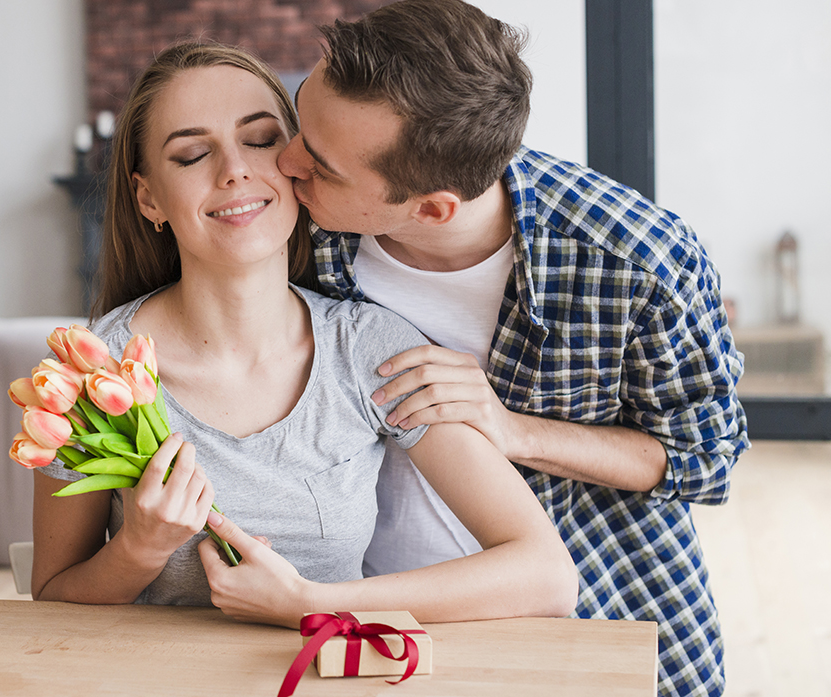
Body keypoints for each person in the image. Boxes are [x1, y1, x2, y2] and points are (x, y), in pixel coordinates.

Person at [275, 1, 749, 694]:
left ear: (432, 208)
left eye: (321, 165)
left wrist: (512, 429)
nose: (285, 162)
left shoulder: (638, 262)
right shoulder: (301, 230)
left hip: (588, 613)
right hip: (365, 622)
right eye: (298, 120)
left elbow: (707, 457)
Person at [30, 41, 578, 629]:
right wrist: (137, 550)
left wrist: (308, 604)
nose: (234, 168)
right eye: (191, 154)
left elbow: (545, 574)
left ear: (299, 164)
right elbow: (53, 595)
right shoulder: (91, 372)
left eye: (261, 140)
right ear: (148, 198)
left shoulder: (369, 349)